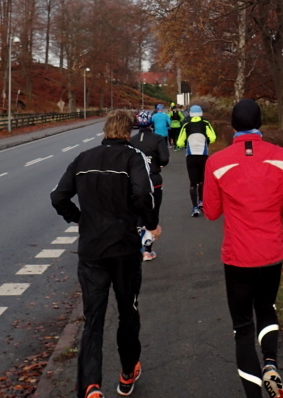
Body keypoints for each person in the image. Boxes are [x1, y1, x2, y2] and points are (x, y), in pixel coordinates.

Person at [50, 109, 160, 398]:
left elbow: (58, 196)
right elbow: (142, 193)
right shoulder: (132, 157)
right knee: (128, 310)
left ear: (105, 130)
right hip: (124, 247)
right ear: (127, 132)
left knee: (93, 319)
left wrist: (79, 218)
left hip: (92, 250)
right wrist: (150, 223)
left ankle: (90, 386)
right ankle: (127, 372)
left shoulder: (83, 158)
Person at [203, 99, 283, 398]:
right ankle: (271, 365)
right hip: (272, 251)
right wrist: (281, 211)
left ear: (233, 125)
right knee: (266, 309)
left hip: (238, 256)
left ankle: (254, 394)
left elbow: (210, 211)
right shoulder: (281, 156)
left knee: (243, 326)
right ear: (260, 123)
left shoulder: (217, 162)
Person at [129, 109, 170, 260]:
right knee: (152, 213)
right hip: (153, 180)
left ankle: (138, 247)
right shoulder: (157, 139)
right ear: (151, 122)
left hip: (134, 181)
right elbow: (165, 159)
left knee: (137, 213)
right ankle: (147, 249)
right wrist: (157, 163)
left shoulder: (132, 140)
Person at [175, 104, 217, 217]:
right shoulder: (205, 123)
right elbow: (213, 138)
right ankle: (202, 202)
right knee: (202, 181)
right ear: (201, 113)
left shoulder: (186, 125)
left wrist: (186, 143)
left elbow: (179, 142)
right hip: (203, 155)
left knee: (193, 183)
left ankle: (194, 207)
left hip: (191, 156)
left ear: (190, 114)